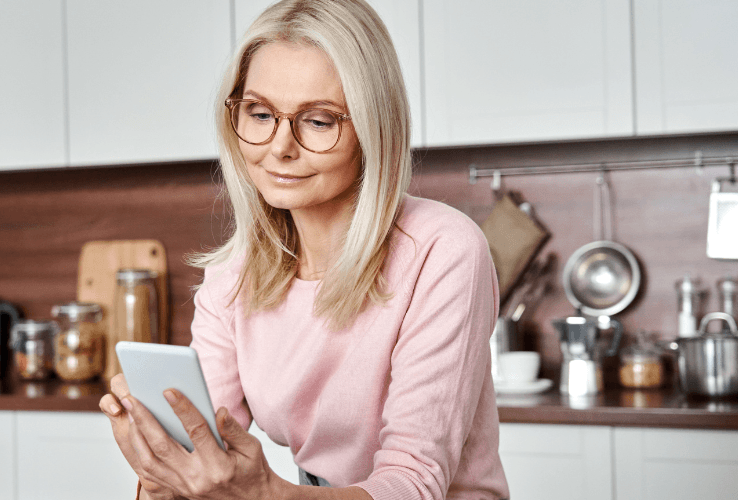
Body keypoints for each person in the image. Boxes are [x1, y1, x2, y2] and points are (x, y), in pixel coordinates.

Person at [100, 1, 509, 498]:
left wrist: (267, 495)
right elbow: (202, 448)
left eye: (318, 121)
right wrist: (161, 477)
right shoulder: (234, 272)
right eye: (260, 113)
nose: (280, 147)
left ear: (373, 128)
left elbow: (414, 481)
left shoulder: (442, 250)